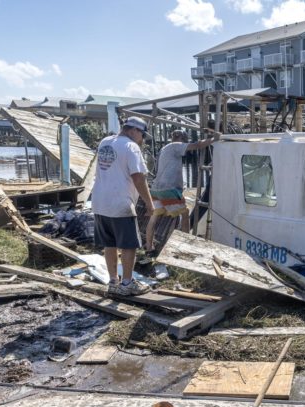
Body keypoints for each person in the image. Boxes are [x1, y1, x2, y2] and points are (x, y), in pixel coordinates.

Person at [91, 116, 154, 296]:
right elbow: (138, 177)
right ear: (134, 130)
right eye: (142, 135)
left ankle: (113, 282)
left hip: (100, 201)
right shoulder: (131, 146)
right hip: (120, 202)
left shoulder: (105, 142)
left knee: (109, 243)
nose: (142, 140)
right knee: (128, 245)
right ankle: (127, 283)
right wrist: (149, 204)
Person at [144, 128, 221, 253]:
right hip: (170, 189)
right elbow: (197, 145)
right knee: (185, 214)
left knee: (153, 218)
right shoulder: (176, 146)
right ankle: (186, 245)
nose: (185, 143)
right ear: (181, 138)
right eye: (185, 140)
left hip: (157, 189)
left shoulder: (164, 148)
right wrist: (214, 139)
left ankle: (149, 247)